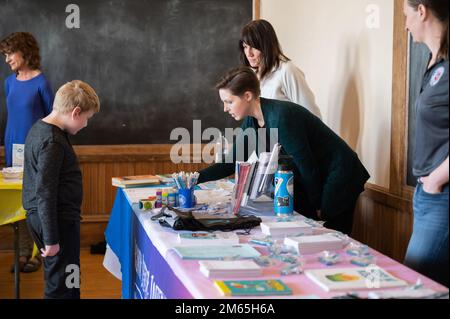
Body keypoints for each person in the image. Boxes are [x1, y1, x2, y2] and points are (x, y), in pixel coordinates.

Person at [198, 67, 370, 234]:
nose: (225, 108)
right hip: (314, 178)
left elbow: (306, 166)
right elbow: (230, 162)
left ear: (248, 96)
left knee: (331, 237)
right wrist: (195, 178)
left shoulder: (282, 116)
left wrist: (318, 207)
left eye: (229, 101)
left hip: (340, 174)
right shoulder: (251, 122)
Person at [22, 80, 100, 299]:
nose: (85, 124)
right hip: (55, 222)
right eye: (87, 118)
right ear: (76, 112)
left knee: (69, 276)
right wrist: (51, 239)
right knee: (62, 284)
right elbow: (45, 192)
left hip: (53, 221)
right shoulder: (52, 142)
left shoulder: (41, 128)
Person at [403, 0, 448, 287]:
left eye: (406, 16)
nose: (405, 24)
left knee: (415, 285)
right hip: (427, 194)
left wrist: (436, 180)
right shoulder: (434, 64)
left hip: (441, 195)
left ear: (422, 11)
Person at [1, 32, 54, 273]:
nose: (7, 60)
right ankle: (23, 252)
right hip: (13, 150)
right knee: (21, 202)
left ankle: (38, 253)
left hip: (36, 151)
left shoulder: (41, 83)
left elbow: (52, 121)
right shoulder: (9, 82)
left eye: (10, 53)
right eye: (5, 55)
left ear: (24, 52)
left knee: (36, 202)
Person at [239, 19, 322, 119]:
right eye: (245, 46)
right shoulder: (253, 75)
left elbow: (313, 116)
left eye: (253, 46)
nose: (248, 53)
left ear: (266, 45)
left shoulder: (287, 71)